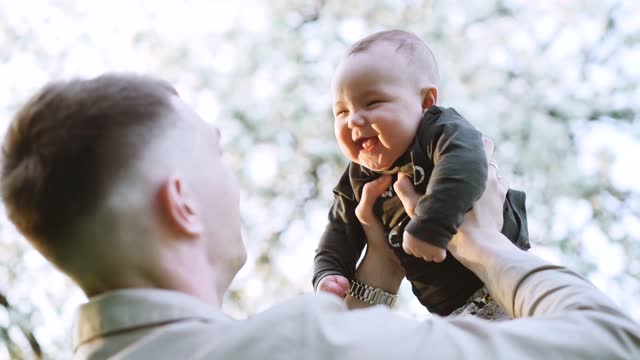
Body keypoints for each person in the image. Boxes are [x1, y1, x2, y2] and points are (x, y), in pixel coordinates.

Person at [1, 74, 638, 359]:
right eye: (214, 155)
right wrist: (491, 246)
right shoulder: (302, 343)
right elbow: (611, 346)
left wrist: (379, 262)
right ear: (182, 202)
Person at [313, 29, 528, 316]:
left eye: (372, 102)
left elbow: (464, 166)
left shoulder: (439, 132)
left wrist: (432, 225)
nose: (354, 119)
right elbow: (339, 229)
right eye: (341, 112)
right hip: (453, 311)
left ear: (426, 101)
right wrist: (328, 273)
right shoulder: (357, 178)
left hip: (504, 282)